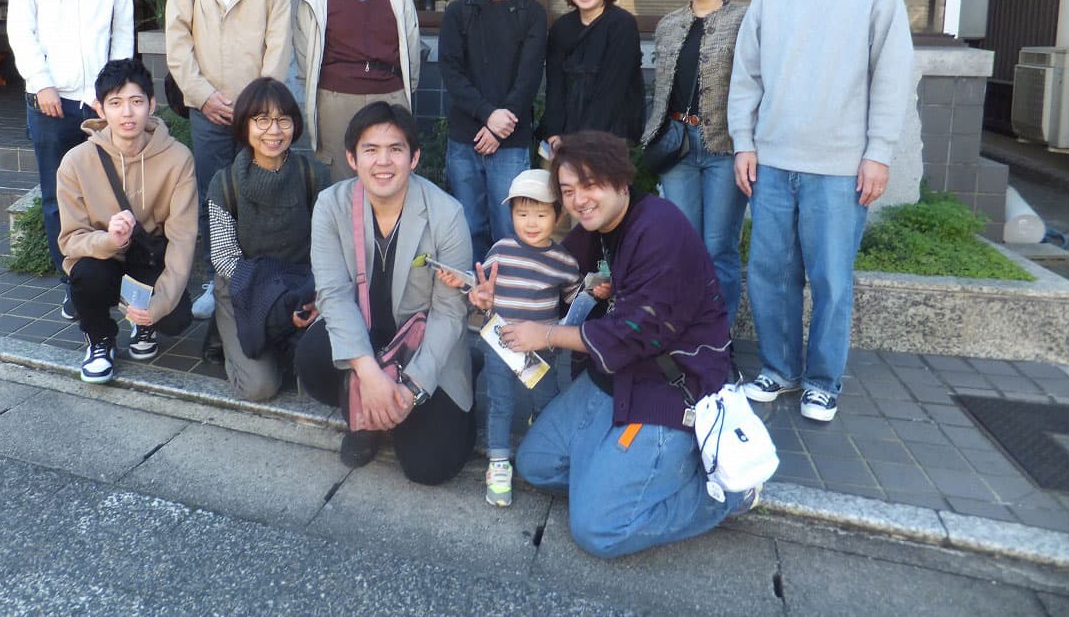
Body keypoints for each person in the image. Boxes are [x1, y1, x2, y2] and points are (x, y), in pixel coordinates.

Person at [498, 131, 753, 558]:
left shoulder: (659, 229)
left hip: (669, 386)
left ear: (620, 180)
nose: (579, 200)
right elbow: (547, 273)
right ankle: (616, 477)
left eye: (590, 184)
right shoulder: (595, 230)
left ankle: (726, 493)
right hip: (614, 378)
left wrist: (545, 334)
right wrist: (493, 295)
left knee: (598, 529)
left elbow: (633, 333)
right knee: (536, 463)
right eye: (568, 191)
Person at [729, 0, 914, 423]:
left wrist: (878, 152)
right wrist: (744, 142)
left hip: (840, 168)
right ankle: (779, 368)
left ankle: (822, 381)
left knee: (832, 280)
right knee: (770, 274)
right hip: (772, 163)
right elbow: (747, 78)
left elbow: (891, 77)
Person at [294, 102, 476, 484]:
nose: (383, 161)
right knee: (312, 356)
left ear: (414, 158)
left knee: (430, 467)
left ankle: (456, 374)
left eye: (395, 149)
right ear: (351, 158)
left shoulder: (447, 215)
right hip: (365, 332)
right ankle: (364, 413)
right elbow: (333, 295)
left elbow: (449, 312)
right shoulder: (331, 206)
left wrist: (411, 389)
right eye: (370, 149)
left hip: (422, 344)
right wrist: (370, 376)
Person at [165, 0, 292, 351]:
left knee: (260, 196)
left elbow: (278, 46)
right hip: (208, 111)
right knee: (214, 198)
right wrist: (203, 96)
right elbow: (177, 42)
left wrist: (257, 106)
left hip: (258, 115)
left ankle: (260, 279)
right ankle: (216, 282)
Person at [7, 0, 134, 323]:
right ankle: (73, 285)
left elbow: (123, 33)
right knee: (56, 200)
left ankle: (109, 279)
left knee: (109, 196)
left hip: (98, 106)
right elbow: (20, 25)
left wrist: (112, 94)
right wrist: (40, 81)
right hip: (50, 101)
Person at [438, 168, 580, 508]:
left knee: (546, 400)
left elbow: (575, 301)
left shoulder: (563, 261)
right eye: (522, 213)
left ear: (558, 216)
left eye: (541, 214)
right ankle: (499, 461)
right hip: (500, 344)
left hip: (542, 349)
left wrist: (595, 292)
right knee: (500, 403)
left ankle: (542, 440)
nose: (531, 222)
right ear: (511, 214)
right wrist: (473, 292)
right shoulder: (500, 251)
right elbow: (483, 290)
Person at [56, 59, 197, 383]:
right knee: (86, 274)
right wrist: (109, 239)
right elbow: (70, 241)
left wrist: (160, 304)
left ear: (152, 104)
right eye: (116, 103)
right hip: (103, 259)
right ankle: (100, 339)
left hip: (148, 257)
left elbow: (183, 237)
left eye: (136, 101)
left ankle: (144, 324)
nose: (127, 113)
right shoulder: (76, 162)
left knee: (175, 318)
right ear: (100, 109)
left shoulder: (178, 159)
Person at [642, 0, 748, 323]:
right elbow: (662, 89)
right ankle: (687, 334)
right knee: (682, 246)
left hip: (725, 146)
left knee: (719, 248)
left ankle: (718, 337)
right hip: (677, 146)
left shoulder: (744, 20)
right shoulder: (669, 25)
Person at [206, 77, 329, 402]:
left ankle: (277, 338)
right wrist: (273, 298)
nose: (274, 131)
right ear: (244, 125)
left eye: (283, 120)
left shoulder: (313, 175)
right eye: (262, 120)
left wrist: (315, 293)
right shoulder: (225, 183)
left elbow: (330, 246)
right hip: (243, 289)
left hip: (303, 287)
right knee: (259, 388)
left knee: (318, 378)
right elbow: (224, 257)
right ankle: (227, 334)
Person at [438, 0, 547, 260]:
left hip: (510, 140)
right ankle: (473, 290)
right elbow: (451, 72)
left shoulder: (531, 13)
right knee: (467, 227)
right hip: (465, 137)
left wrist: (501, 125)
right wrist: (488, 115)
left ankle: (508, 290)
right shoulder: (458, 12)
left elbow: (529, 77)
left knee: (509, 226)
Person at [294, 0, 421, 183]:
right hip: (336, 99)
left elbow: (412, 53)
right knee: (342, 181)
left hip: (390, 96)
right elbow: (304, 59)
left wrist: (401, 93)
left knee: (389, 177)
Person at [539, 0, 644, 150]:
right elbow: (555, 89)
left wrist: (580, 145)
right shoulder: (561, 28)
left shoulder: (622, 25)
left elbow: (611, 92)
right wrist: (554, 135)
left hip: (609, 138)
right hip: (565, 137)